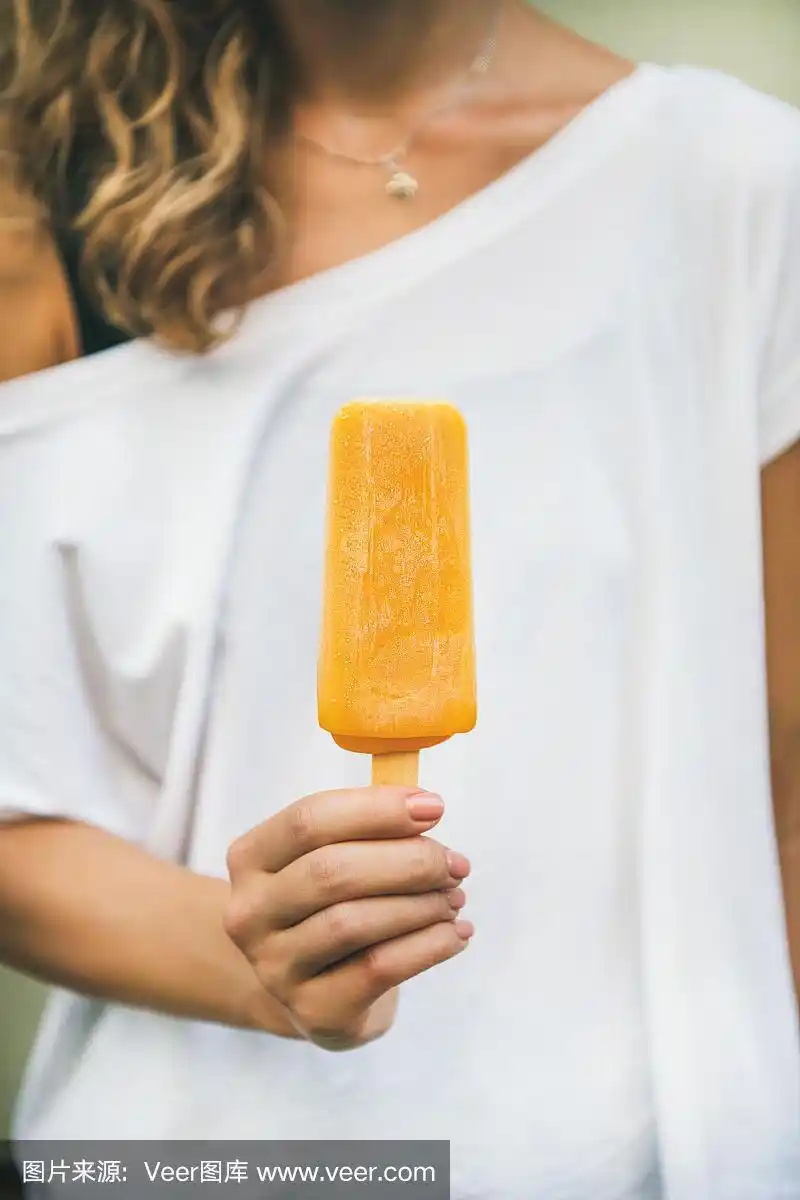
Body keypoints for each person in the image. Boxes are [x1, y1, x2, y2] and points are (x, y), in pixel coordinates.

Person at [0, 0, 799, 1196]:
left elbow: (783, 792)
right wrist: (253, 958)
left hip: (629, 1156)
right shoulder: (45, 216)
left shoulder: (738, 189)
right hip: (189, 1158)